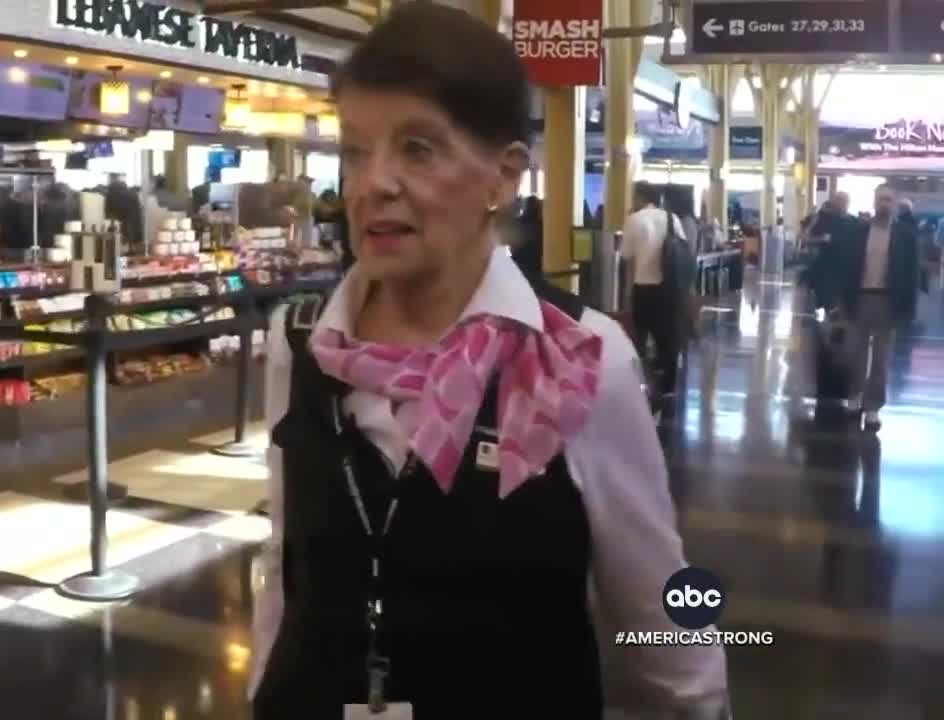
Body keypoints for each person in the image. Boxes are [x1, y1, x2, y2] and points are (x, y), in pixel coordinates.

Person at [250, 4, 727, 718]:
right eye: (354, 150)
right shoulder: (306, 342)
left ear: (503, 178)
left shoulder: (577, 356)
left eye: (417, 149)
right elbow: (288, 572)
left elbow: (657, 615)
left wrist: (694, 702)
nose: (372, 183)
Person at [818, 184, 919, 431]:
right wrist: (836, 302)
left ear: (894, 204)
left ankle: (873, 407)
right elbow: (844, 267)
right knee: (855, 352)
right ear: (874, 202)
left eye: (888, 200)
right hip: (858, 298)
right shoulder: (858, 231)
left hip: (888, 301)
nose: (884, 204)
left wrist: (909, 308)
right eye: (880, 199)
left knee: (881, 358)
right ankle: (855, 396)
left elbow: (912, 274)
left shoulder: (905, 236)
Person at [621, 180, 685, 398]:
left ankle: (637, 384)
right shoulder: (671, 218)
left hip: (643, 286)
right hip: (669, 287)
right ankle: (669, 386)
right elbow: (683, 251)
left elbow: (627, 258)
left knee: (639, 337)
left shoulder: (633, 220)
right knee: (667, 337)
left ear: (640, 197)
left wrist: (627, 292)